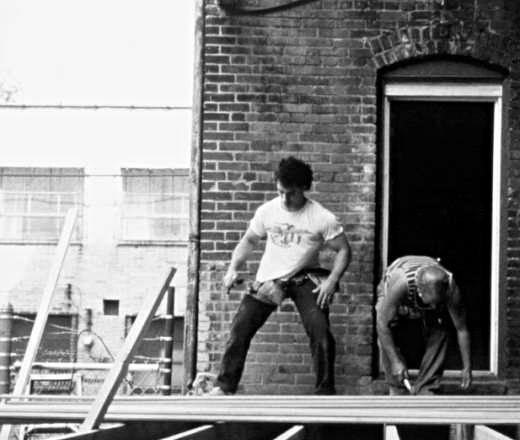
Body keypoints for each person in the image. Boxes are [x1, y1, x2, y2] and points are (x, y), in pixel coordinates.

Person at [209, 156, 351, 395]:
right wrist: (233, 267)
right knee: (240, 328)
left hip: (304, 278)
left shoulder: (321, 217)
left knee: (321, 332)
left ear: (304, 189)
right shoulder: (267, 211)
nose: (285, 199)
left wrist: (332, 281)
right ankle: (224, 386)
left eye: (291, 193)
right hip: (270, 278)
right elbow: (249, 240)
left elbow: (344, 250)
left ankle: (325, 392)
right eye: (280, 192)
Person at [375, 255, 472, 396]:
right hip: (394, 287)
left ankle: (426, 388)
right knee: (388, 326)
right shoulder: (400, 284)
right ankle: (398, 387)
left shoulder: (450, 288)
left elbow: (461, 329)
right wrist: (395, 361)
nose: (433, 306)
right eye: (430, 302)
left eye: (437, 302)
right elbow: (382, 325)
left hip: (426, 292)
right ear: (419, 292)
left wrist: (467, 367)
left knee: (441, 327)